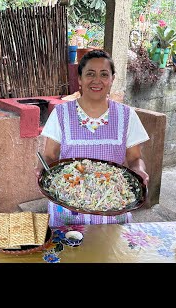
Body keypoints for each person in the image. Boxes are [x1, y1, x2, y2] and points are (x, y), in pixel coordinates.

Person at [35, 49, 150, 227]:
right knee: (69, 253)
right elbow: (49, 156)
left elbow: (135, 158)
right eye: (90, 74)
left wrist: (139, 170)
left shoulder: (127, 115)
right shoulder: (61, 114)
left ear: (112, 79)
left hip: (112, 208)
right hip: (67, 209)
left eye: (104, 74)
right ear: (80, 79)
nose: (97, 80)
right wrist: (42, 169)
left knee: (111, 254)